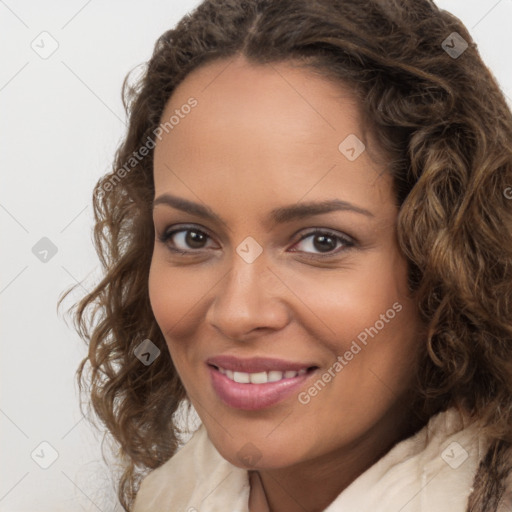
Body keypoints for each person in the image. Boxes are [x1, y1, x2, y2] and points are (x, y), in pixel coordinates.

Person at [61, 0, 512, 510]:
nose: (238, 312)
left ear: (452, 256)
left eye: (321, 242)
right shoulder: (169, 498)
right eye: (191, 237)